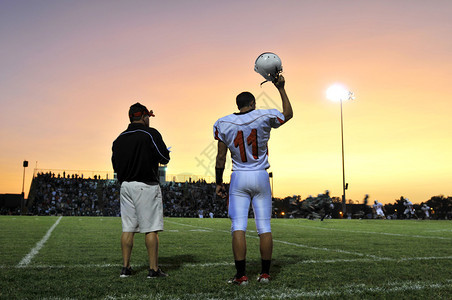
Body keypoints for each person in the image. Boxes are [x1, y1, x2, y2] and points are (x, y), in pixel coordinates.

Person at [213, 75, 293, 285]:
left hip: (239, 177)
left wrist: (218, 182)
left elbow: (220, 158)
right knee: (264, 227)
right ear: (253, 104)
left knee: (238, 227)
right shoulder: (263, 116)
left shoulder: (223, 123)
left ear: (238, 106)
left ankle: (241, 276)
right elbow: (288, 114)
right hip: (260, 175)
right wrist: (281, 88)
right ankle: (265, 274)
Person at [112, 102, 170, 279]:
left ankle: (126, 268)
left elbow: (115, 165)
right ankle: (153, 269)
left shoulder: (119, 138)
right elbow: (164, 158)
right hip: (145, 185)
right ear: (144, 117)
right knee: (151, 228)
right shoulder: (150, 133)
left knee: (128, 228)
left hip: (126, 186)